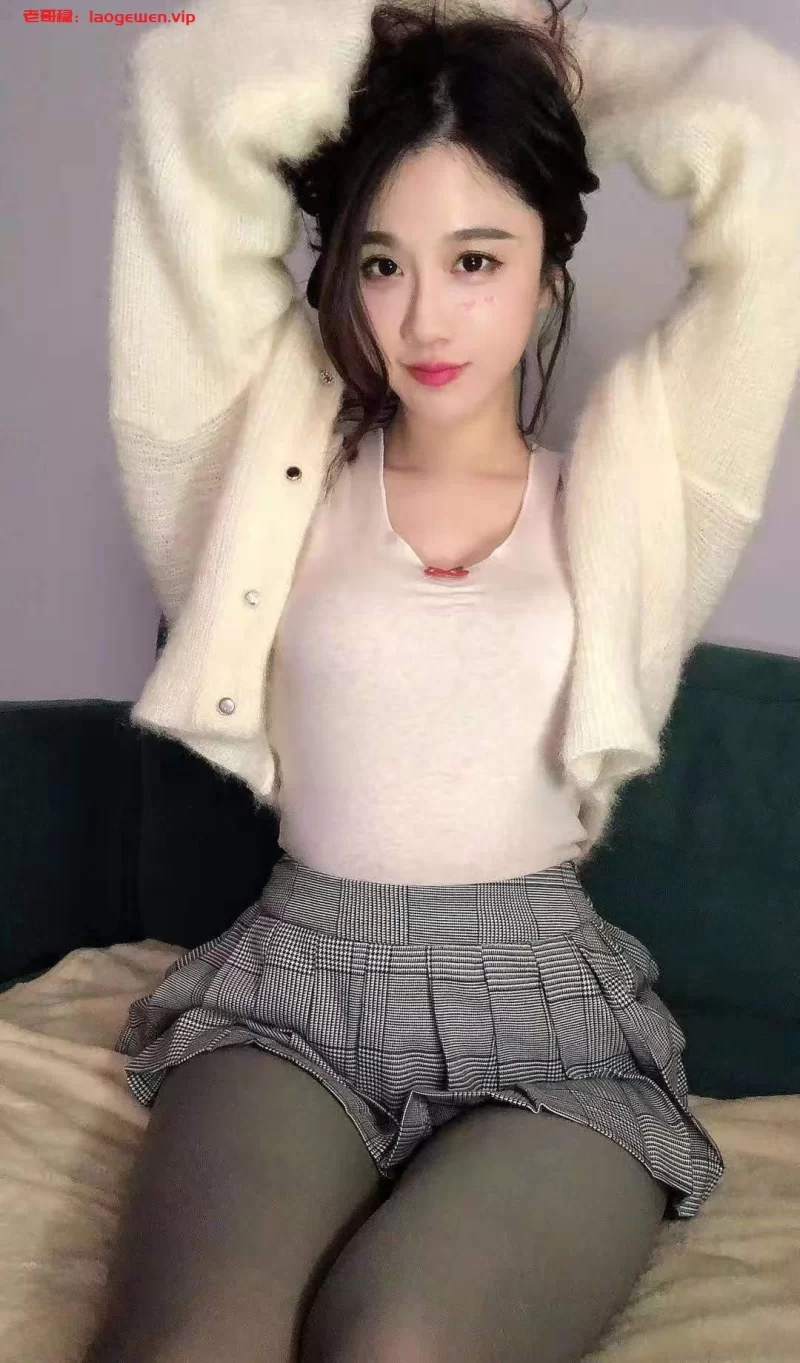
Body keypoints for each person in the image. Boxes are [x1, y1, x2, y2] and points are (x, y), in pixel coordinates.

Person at [83, 1, 800, 1360]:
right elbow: (187, 92)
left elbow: (774, 136)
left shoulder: (642, 489)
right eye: (382, 263)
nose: (423, 318)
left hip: (548, 1020)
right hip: (296, 992)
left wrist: (524, 56)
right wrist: (411, 47)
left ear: (548, 271)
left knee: (398, 1339)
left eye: (476, 258)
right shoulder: (263, 477)